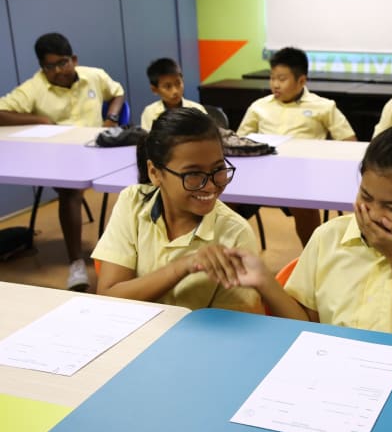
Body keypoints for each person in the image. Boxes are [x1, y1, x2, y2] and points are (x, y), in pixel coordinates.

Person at [224, 125, 392, 339]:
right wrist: (264, 280)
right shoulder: (328, 236)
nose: (373, 214)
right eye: (366, 197)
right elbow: (305, 325)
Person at [92, 108, 262, 313]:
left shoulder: (235, 234)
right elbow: (109, 297)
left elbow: (231, 326)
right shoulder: (133, 201)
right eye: (193, 174)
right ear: (155, 173)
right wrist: (182, 266)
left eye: (218, 169)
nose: (210, 186)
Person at [0, 32, 125, 291]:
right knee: (70, 190)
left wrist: (111, 118)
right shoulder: (34, 87)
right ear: (41, 67)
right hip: (57, 157)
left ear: (74, 60)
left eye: (62, 63)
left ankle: (124, 253)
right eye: (49, 66)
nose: (57, 70)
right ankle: (76, 263)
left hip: (97, 150)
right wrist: (39, 120)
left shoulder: (94, 76)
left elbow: (118, 93)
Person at [236, 46, 356, 246]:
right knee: (224, 202)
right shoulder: (259, 107)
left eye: (282, 79)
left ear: (301, 81)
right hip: (262, 175)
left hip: (305, 177)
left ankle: (313, 254)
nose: (275, 84)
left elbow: (349, 142)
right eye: (272, 78)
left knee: (303, 204)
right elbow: (239, 141)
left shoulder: (324, 106)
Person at [140, 57, 206, 131]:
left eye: (178, 83)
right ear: (154, 89)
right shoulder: (150, 112)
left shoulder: (197, 109)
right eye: (167, 86)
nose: (175, 91)